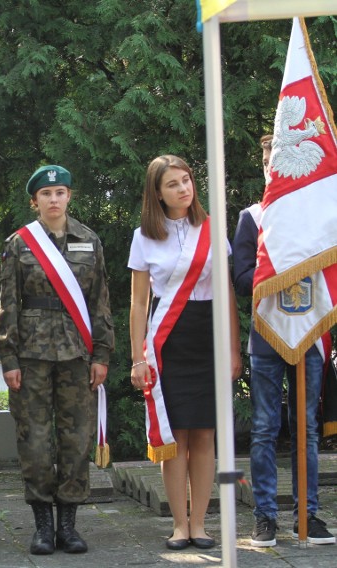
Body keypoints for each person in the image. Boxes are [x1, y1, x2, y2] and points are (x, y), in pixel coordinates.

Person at [0, 165, 114, 555]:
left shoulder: (89, 241)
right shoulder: (19, 244)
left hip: (77, 355)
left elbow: (99, 302)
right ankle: (42, 525)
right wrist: (7, 358)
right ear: (35, 201)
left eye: (60, 192)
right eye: (46, 194)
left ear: (69, 197)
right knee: (35, 440)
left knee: (77, 439)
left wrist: (102, 353)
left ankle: (69, 525)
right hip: (31, 355)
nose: (54, 200)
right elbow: (7, 305)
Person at [128, 155, 241, 551]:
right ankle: (178, 524)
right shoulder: (144, 237)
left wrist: (233, 350)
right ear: (157, 194)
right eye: (173, 183)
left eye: (187, 180)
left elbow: (226, 293)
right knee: (174, 438)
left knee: (205, 434)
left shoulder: (213, 229)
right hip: (168, 341)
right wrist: (138, 357)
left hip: (207, 335)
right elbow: (139, 303)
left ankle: (200, 524)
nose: (183, 188)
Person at [232, 135, 336, 547]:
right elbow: (241, 281)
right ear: (264, 166)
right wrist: (279, 270)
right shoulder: (253, 218)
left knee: (306, 430)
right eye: (268, 160)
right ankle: (265, 518)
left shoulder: (321, 217)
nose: (273, 166)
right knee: (263, 429)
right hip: (268, 335)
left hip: (309, 333)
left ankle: (307, 515)